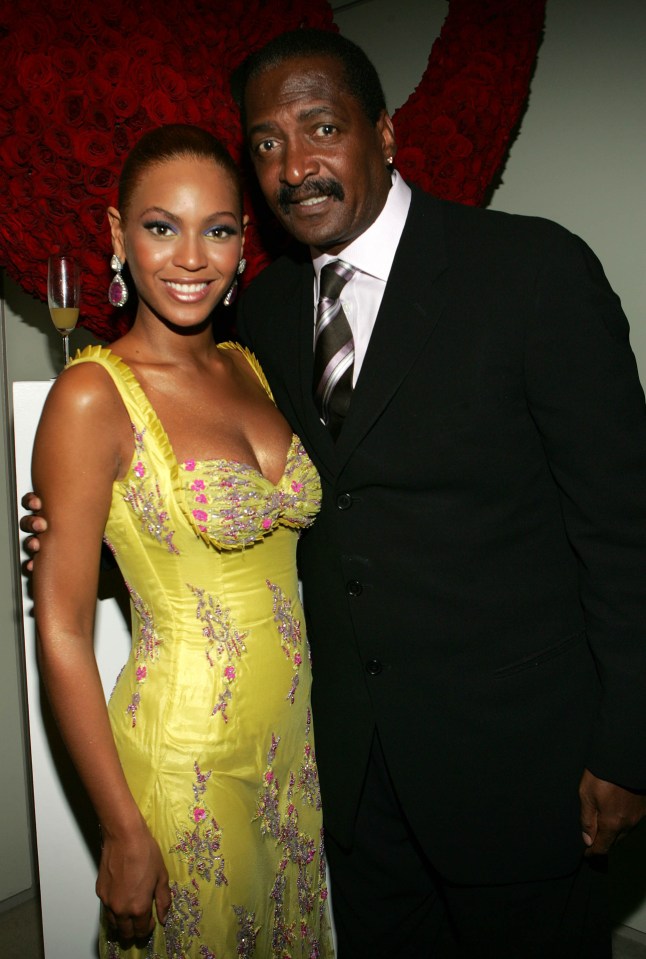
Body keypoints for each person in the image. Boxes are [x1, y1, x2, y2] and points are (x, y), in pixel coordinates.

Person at [23, 28, 646, 959]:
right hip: (343, 775)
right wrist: (79, 528)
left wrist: (629, 744)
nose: (295, 163)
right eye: (267, 142)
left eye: (321, 126)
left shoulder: (532, 271)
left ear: (386, 133)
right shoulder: (267, 316)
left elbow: (623, 527)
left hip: (514, 767)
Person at [29, 123, 333, 959]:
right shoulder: (92, 395)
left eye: (220, 228)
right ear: (116, 235)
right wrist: (121, 827)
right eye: (162, 226)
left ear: (245, 243)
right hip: (184, 760)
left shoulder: (250, 366)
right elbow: (58, 627)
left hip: (289, 748)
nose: (192, 256)